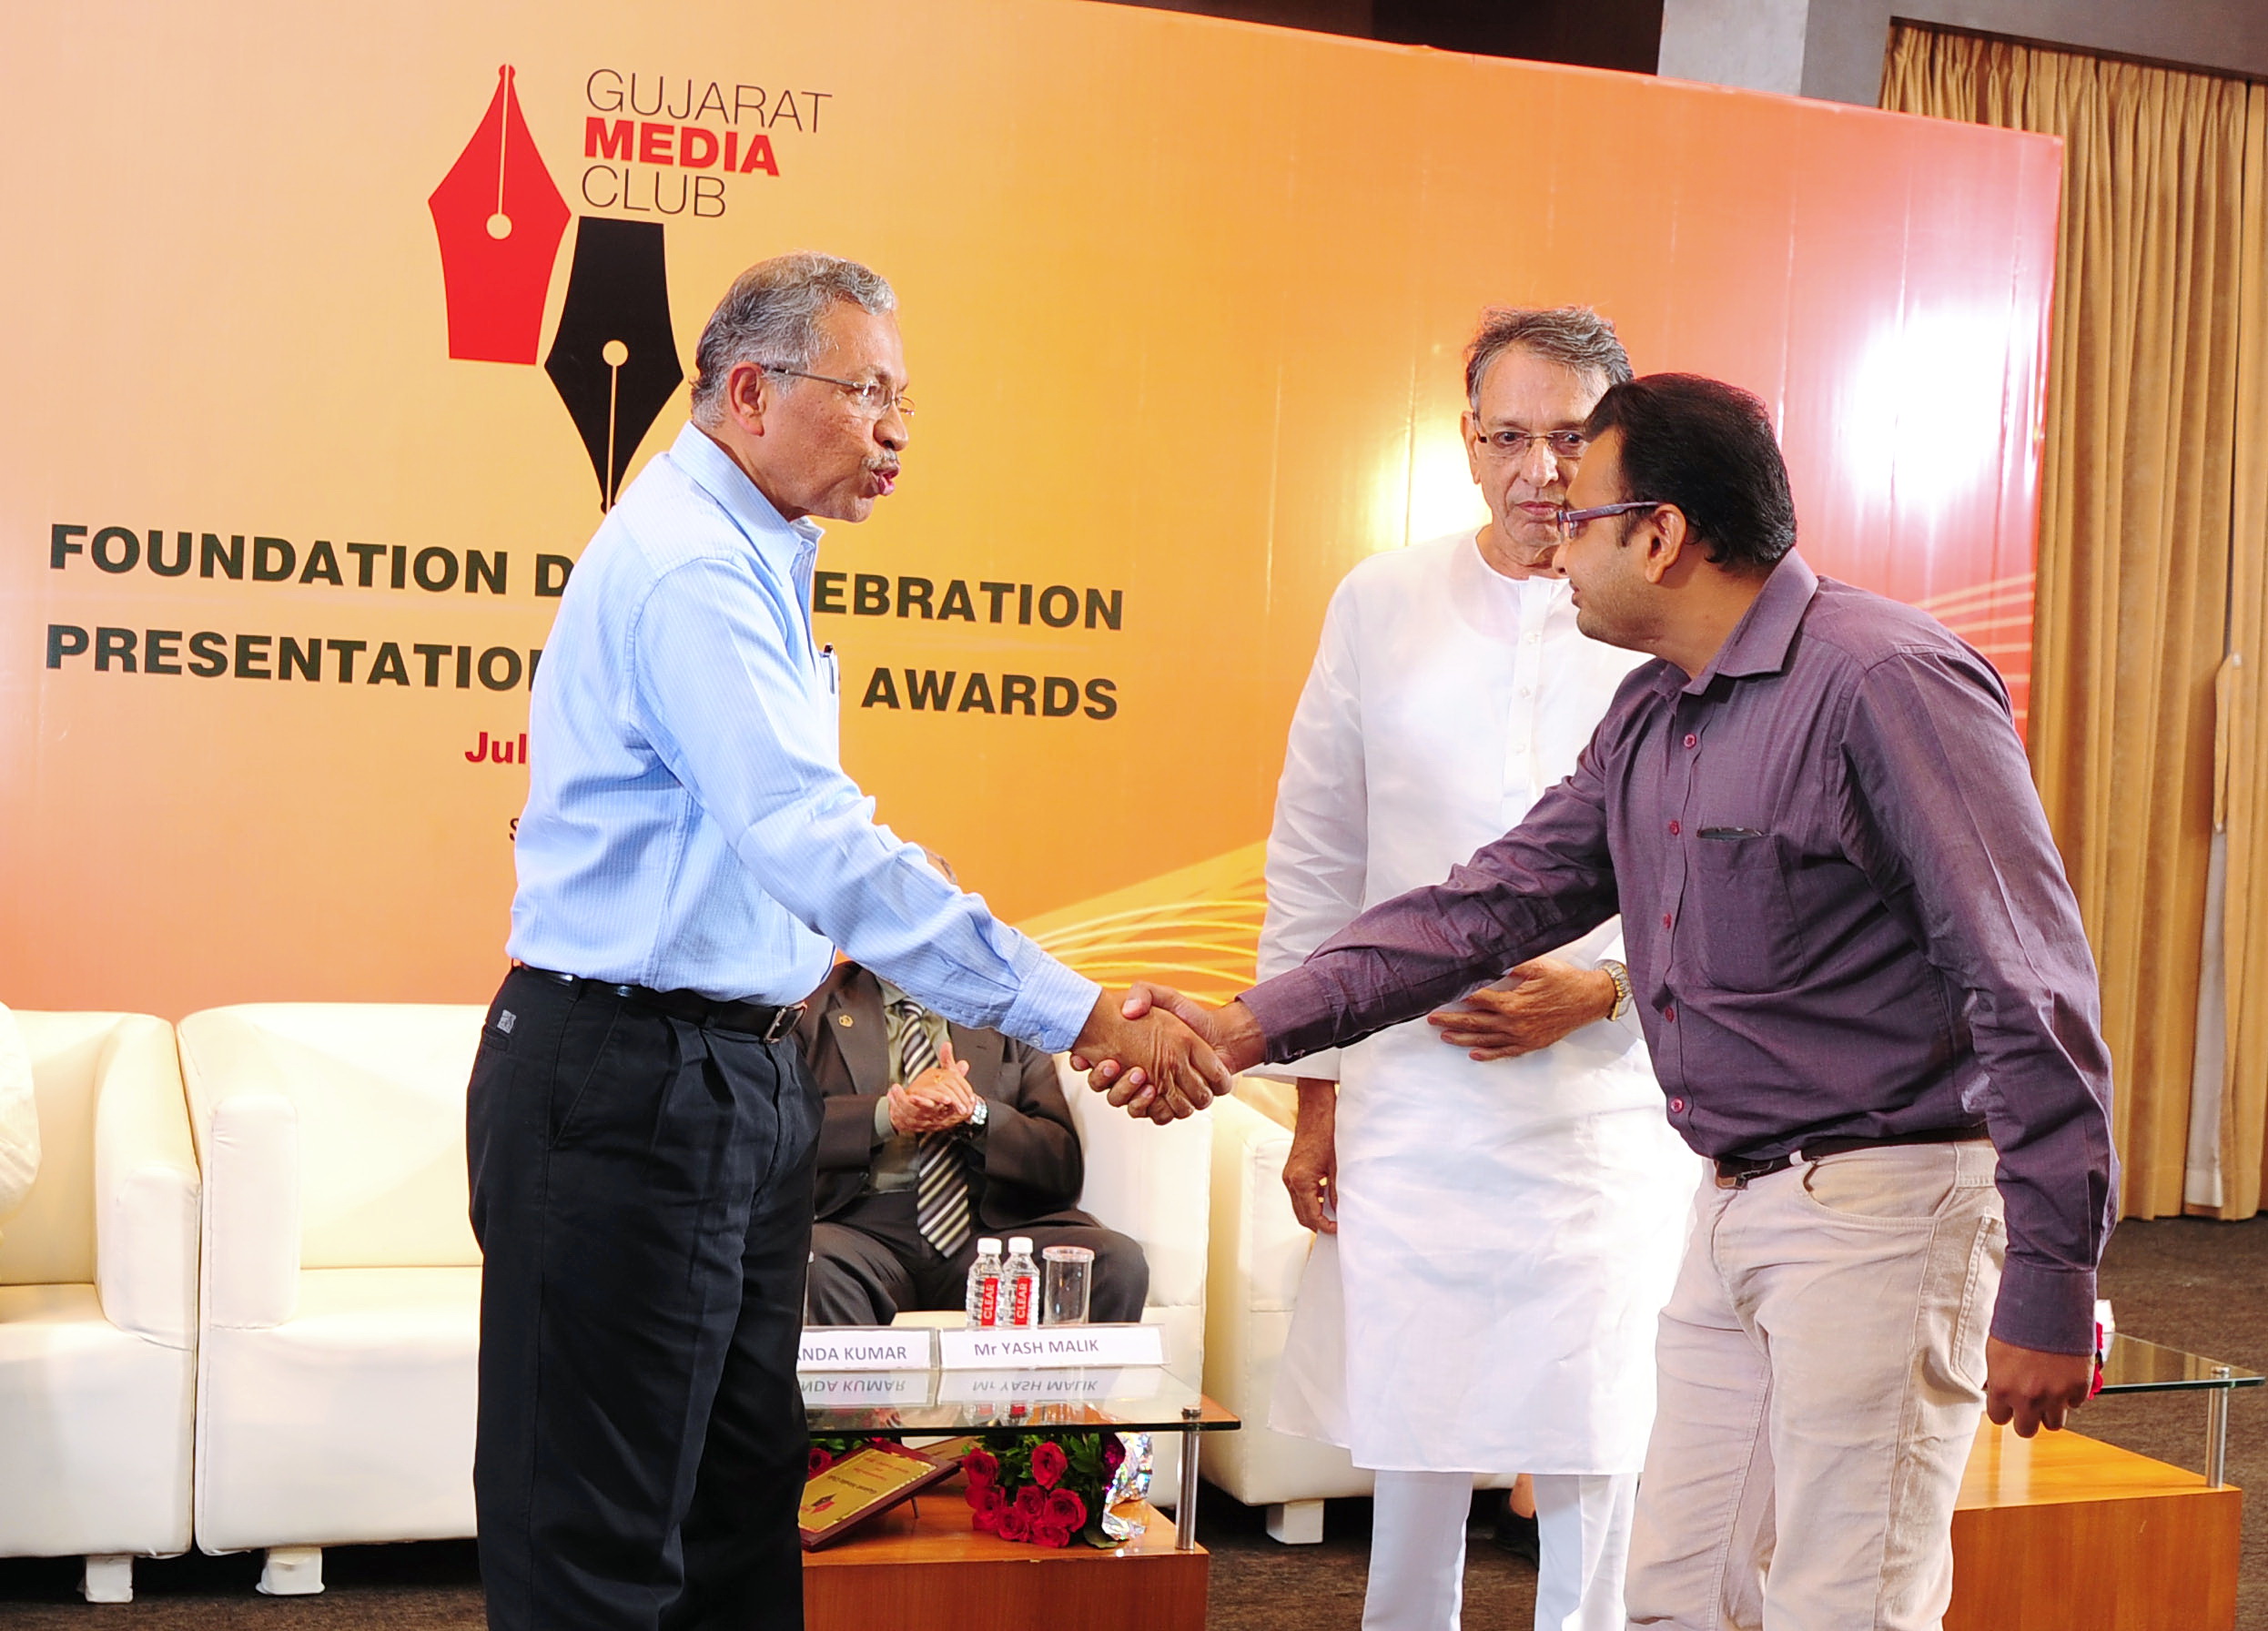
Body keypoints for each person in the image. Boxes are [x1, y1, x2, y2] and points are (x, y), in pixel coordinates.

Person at [1093, 373, 2115, 1631]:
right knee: (1675, 1596)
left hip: (1886, 1211)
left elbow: (2029, 980)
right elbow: (1482, 908)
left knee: (1841, 1603)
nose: (1553, 543)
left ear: (1660, 534)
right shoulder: (1653, 713)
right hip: (1727, 1206)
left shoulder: (1884, 679)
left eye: (1580, 515)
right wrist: (1245, 1026)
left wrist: (2051, 1273)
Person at [466, 251, 1227, 1631]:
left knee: (741, 1504)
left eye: (903, 399)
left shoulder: (755, 554)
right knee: (604, 1537)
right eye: (869, 393)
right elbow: (815, 842)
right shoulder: (692, 569)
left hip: (733, 1073)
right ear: (751, 392)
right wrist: (1078, 1010)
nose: (896, 431)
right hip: (630, 1079)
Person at [1254, 308, 1695, 1631]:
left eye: (1569, 438)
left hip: (1605, 1104)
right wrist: (1315, 1100)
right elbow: (1317, 858)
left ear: (1616, 445)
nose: (1538, 471)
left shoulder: (1661, 611)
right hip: (1415, 1099)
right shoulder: (1379, 601)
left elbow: (1720, 866)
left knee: (1597, 1428)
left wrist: (1603, 989)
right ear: (1466, 441)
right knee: (1417, 1425)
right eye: (1508, 437)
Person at [799, 854, 1149, 1325]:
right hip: (858, 1230)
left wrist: (978, 1117)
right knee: (812, 1264)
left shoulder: (1007, 1012)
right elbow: (783, 1136)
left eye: (931, 906)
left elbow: (1059, 1168)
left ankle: (1049, 1383)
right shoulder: (810, 1007)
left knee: (1114, 1262)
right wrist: (888, 1116)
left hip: (989, 1231)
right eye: (896, 905)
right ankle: (863, 1383)